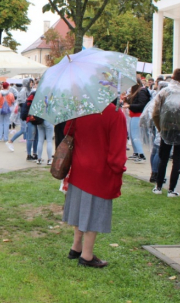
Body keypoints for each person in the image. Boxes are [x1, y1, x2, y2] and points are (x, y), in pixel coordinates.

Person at [63, 101, 127, 268]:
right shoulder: (115, 114)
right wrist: (118, 169)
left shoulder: (81, 107)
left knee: (79, 209)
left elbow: (67, 131)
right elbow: (117, 151)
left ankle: (75, 247)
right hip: (100, 170)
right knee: (93, 211)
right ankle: (87, 255)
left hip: (79, 165)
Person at [152, 69, 180, 196]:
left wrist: (160, 127)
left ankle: (158, 186)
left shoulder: (164, 92)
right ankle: (172, 189)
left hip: (166, 128)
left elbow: (155, 112)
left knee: (163, 158)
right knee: (177, 160)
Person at [123, 79, 151, 163]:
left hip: (138, 116)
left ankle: (141, 154)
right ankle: (136, 152)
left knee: (135, 136)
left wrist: (129, 105)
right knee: (132, 135)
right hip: (134, 115)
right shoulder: (138, 92)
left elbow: (142, 105)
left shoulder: (141, 91)